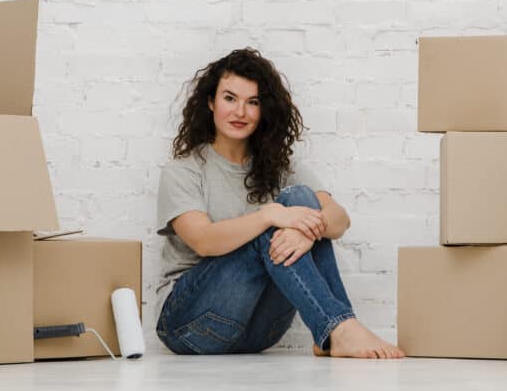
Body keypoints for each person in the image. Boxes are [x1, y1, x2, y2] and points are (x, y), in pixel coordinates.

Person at [155, 48, 404, 359]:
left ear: (265, 110)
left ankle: (331, 332)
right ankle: (341, 328)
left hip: (259, 331)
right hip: (190, 325)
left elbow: (340, 220)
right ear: (210, 102)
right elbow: (203, 241)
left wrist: (307, 229)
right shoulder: (185, 170)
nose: (240, 112)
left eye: (253, 102)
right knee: (278, 219)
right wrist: (269, 217)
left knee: (301, 201)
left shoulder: (281, 168)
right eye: (229, 99)